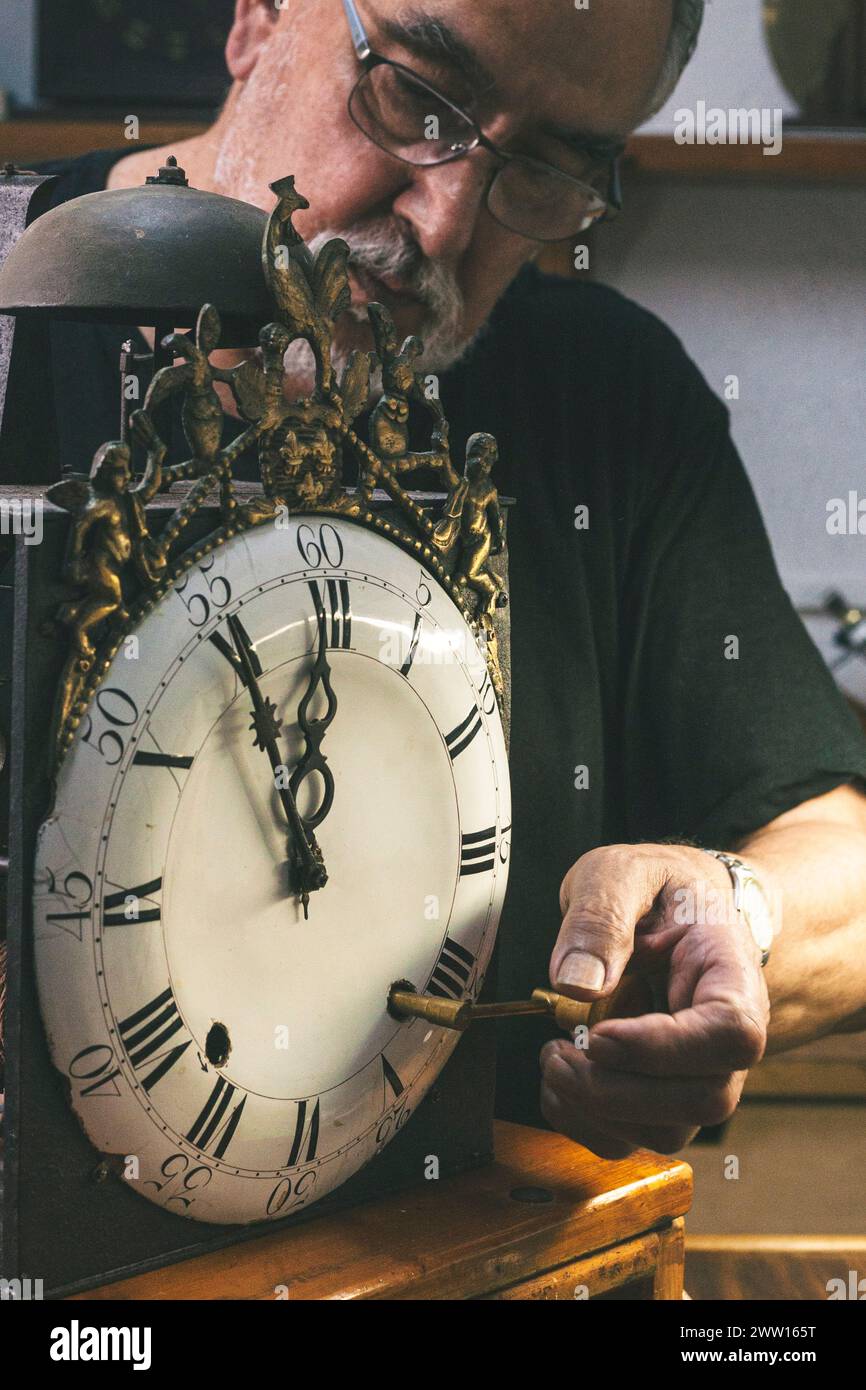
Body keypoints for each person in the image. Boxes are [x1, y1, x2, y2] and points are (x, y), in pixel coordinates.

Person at [19, 0, 866, 1158]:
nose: (445, 219)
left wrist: (734, 913)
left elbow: (842, 858)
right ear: (260, 17)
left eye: (546, 172)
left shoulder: (609, 400)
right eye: (416, 97)